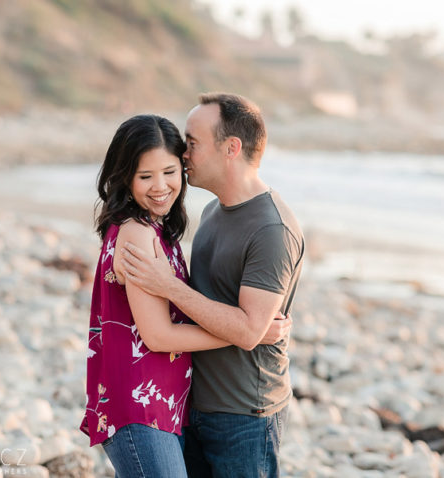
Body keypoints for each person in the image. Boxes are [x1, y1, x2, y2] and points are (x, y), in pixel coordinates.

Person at [79, 114, 288, 478]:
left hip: (161, 404)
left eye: (169, 172)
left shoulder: (157, 229)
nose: (160, 186)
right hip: (139, 407)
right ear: (125, 178)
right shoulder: (137, 234)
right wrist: (245, 334)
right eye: (145, 176)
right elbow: (159, 336)